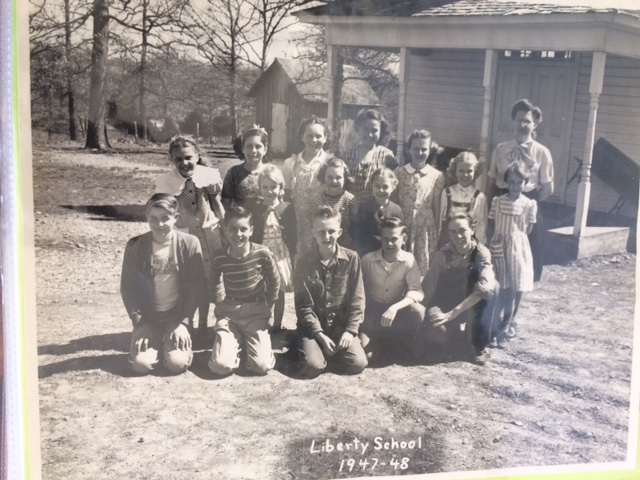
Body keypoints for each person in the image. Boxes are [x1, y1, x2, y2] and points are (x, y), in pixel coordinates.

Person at [121, 193, 204, 375]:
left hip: (176, 316)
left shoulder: (190, 243)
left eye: (165, 218)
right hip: (149, 317)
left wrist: (183, 322)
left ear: (176, 218)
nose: (159, 224)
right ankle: (153, 340)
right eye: (154, 219)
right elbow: (127, 287)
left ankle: (169, 343)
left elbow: (197, 287)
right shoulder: (136, 245)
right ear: (147, 218)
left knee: (177, 364)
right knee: (141, 366)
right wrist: (139, 322)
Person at [155, 135, 224, 337]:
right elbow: (165, 212)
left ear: (197, 156)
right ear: (172, 160)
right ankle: (187, 322)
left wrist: (226, 228)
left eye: (188, 157)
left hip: (209, 237)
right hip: (185, 239)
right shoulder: (167, 183)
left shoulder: (208, 176)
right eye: (178, 159)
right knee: (190, 283)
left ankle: (205, 323)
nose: (184, 163)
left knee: (210, 281)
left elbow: (216, 205)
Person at [294, 206, 368, 378]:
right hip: (314, 328)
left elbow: (358, 299)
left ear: (340, 232)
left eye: (331, 231)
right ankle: (307, 346)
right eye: (321, 232)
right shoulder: (303, 263)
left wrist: (350, 331)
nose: (326, 237)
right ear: (313, 232)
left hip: (339, 326)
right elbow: (303, 306)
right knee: (312, 367)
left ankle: (327, 350)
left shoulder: (351, 259)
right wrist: (319, 336)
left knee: (358, 363)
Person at [208, 206, 280, 376]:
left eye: (243, 229)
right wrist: (220, 303)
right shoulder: (219, 255)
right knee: (220, 367)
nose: (238, 234)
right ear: (225, 230)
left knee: (261, 367)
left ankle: (250, 345)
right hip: (229, 313)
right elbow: (213, 281)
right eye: (232, 229)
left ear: (251, 230)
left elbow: (275, 280)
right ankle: (233, 344)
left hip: (256, 312)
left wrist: (268, 305)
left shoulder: (262, 253)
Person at [487, 98, 553, 282]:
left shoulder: (542, 152)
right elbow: (491, 183)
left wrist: (528, 202)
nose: (522, 125)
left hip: (527, 204)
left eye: (527, 121)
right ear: (513, 122)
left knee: (526, 253)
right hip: (502, 204)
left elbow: (548, 188)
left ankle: (521, 293)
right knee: (501, 250)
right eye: (518, 120)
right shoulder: (500, 149)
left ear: (535, 124)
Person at [420, 213, 498, 365]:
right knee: (437, 333)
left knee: (494, 288)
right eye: (453, 232)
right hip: (445, 303)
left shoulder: (482, 253)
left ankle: (477, 345)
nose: (458, 236)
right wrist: (424, 319)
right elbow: (428, 288)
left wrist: (452, 314)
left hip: (469, 304)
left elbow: (485, 289)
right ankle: (453, 333)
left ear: (472, 229)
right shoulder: (442, 255)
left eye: (462, 230)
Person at [360, 217, 425, 364]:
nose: (389, 243)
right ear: (380, 238)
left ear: (404, 238)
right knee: (368, 357)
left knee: (418, 310)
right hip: (372, 312)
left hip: (396, 312)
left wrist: (394, 307)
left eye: (394, 239)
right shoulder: (367, 260)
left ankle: (407, 344)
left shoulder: (409, 260)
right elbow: (358, 291)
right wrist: (364, 315)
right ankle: (381, 341)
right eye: (385, 239)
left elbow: (416, 291)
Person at [487, 163, 537, 345]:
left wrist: (515, 239)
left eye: (519, 183)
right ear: (506, 182)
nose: (515, 186)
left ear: (525, 183)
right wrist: (497, 242)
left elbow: (528, 229)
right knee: (502, 287)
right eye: (512, 182)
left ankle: (508, 323)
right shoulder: (498, 201)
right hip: (499, 247)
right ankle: (496, 325)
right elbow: (492, 223)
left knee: (517, 285)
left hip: (519, 248)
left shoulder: (529, 204)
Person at [251, 165, 296, 331]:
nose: (269, 191)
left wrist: (292, 252)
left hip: (281, 254)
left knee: (279, 291)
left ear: (281, 187)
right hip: (262, 253)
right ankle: (262, 322)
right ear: (260, 188)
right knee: (262, 290)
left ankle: (277, 324)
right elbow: (253, 233)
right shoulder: (256, 208)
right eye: (265, 187)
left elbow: (292, 233)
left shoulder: (287, 208)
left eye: (273, 187)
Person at [394, 129, 445, 275]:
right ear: (409, 149)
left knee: (423, 268)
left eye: (424, 149)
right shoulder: (399, 172)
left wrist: (435, 233)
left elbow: (436, 207)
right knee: (402, 266)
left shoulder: (437, 176)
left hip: (425, 229)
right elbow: (395, 202)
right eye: (416, 148)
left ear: (430, 150)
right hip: (404, 225)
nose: (420, 152)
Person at [282, 116, 332, 257]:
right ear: (302, 137)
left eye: (318, 136)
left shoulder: (330, 162)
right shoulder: (290, 163)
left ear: (325, 137)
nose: (314, 140)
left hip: (322, 223)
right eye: (309, 136)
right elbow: (285, 196)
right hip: (297, 223)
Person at [343, 109, 398, 209]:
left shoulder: (386, 155)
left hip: (376, 211)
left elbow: (392, 187)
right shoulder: (348, 154)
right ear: (358, 129)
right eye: (365, 129)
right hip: (351, 209)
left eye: (374, 130)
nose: (370, 134)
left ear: (381, 132)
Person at [351, 167, 404, 257]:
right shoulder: (364, 208)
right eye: (377, 186)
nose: (381, 190)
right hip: (368, 255)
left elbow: (400, 236)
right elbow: (356, 235)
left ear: (393, 187)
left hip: (389, 256)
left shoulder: (396, 210)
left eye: (385, 186)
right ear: (371, 186)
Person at [439, 151, 488, 246]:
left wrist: (478, 250)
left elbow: (481, 228)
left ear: (475, 171)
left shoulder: (479, 197)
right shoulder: (447, 192)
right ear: (455, 171)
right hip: (448, 244)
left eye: (469, 171)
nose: (465, 175)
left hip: (469, 246)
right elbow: (440, 224)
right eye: (461, 170)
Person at [307, 158, 357, 249]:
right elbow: (313, 228)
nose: (334, 181)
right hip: (322, 245)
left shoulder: (350, 200)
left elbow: (354, 229)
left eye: (338, 177)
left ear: (345, 179)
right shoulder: (317, 200)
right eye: (330, 177)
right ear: (323, 178)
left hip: (344, 246)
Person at [222, 125, 270, 211]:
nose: (253, 151)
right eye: (249, 146)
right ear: (243, 149)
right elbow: (226, 203)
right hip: (241, 222)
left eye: (258, 146)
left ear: (265, 149)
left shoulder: (270, 172)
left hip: (266, 221)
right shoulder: (234, 173)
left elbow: (278, 201)